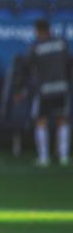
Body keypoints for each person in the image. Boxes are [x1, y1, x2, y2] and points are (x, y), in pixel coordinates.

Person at [30, 19, 71, 167]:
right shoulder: (61, 43)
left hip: (45, 89)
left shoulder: (37, 46)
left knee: (41, 121)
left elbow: (30, 66)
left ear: (38, 30)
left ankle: (44, 157)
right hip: (61, 87)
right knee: (62, 120)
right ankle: (64, 156)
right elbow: (69, 64)